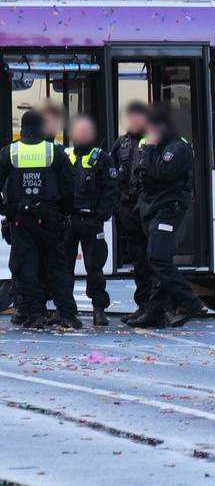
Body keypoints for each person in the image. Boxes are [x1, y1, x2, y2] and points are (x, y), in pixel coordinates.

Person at [0, 109, 79, 329]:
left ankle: (34, 314)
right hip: (50, 216)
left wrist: (7, 210)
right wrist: (65, 212)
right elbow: (69, 186)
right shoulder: (54, 151)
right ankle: (67, 313)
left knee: (26, 267)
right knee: (57, 266)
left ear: (22, 128)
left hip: (21, 219)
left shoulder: (10, 152)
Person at [127, 105, 205, 329]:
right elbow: (141, 172)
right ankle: (156, 311)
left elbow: (162, 171)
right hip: (151, 209)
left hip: (168, 210)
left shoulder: (177, 148)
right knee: (154, 260)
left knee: (159, 258)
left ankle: (189, 302)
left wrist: (151, 149)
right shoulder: (154, 147)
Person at [64, 115, 118, 327]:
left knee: (94, 267)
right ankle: (65, 310)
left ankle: (98, 309)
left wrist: (100, 215)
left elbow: (111, 190)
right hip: (68, 221)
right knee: (64, 267)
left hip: (91, 221)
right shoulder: (66, 155)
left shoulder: (102, 158)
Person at [111, 102, 155, 325]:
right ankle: (144, 306)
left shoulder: (154, 141)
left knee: (154, 261)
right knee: (139, 263)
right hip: (128, 210)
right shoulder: (121, 143)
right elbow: (111, 174)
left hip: (148, 208)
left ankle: (158, 308)